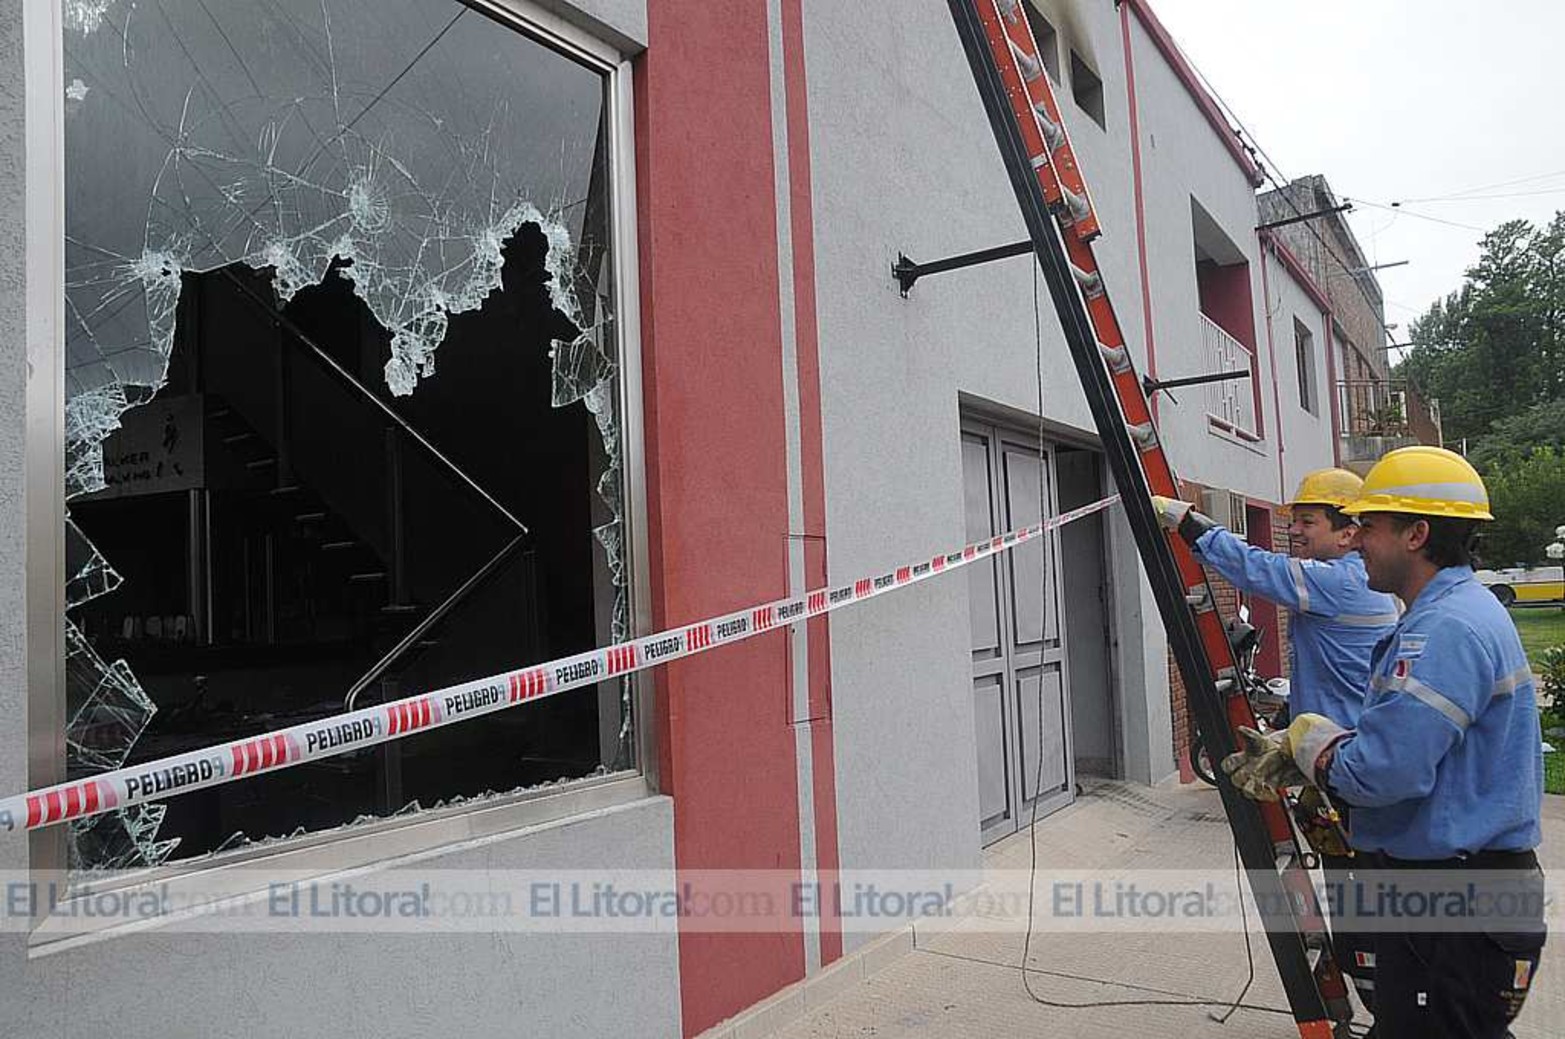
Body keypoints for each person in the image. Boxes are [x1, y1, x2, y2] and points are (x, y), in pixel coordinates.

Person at [1224, 446, 1545, 1039]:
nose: (1356, 541)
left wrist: (1311, 745)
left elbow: (1382, 773)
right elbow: (1414, 745)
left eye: (1368, 526)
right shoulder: (1454, 611)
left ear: (1416, 535)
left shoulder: (1445, 630)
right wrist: (1314, 751)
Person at [1152, 469, 1398, 1015]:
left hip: (1347, 768)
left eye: (1307, 522)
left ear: (1349, 532)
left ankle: (1387, 1009)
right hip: (1339, 759)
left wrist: (1188, 522)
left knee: (1362, 910)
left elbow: (1260, 570)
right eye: (1292, 522)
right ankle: (1380, 1001)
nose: (1295, 531)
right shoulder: (1355, 582)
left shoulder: (1342, 582)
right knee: (1355, 894)